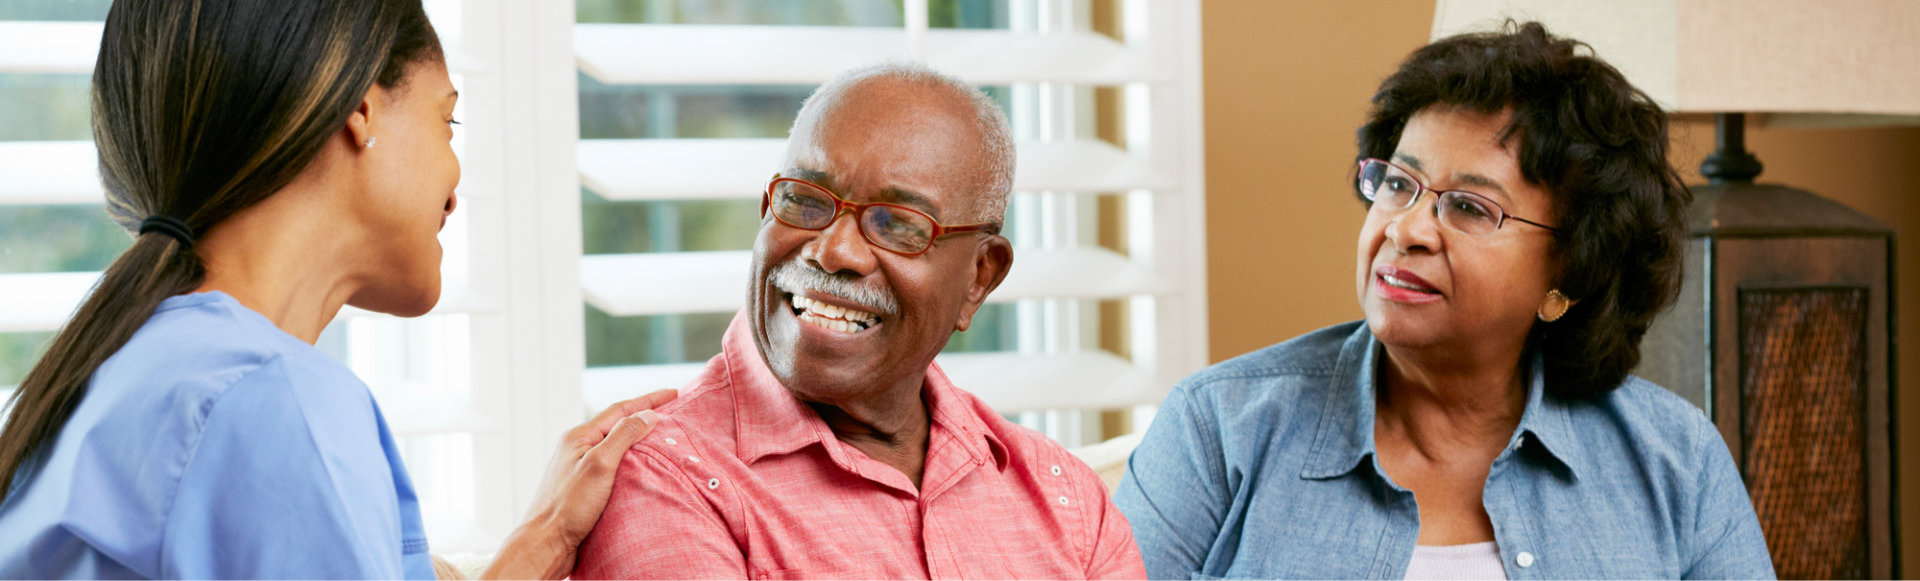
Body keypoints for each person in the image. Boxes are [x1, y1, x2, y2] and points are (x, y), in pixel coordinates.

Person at [0, 1, 671, 578]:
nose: (455, 185)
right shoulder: (273, 401)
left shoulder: (117, 373)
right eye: (449, 121)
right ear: (361, 109)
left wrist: (544, 541)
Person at [1114, 22, 1775, 580]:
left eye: (1468, 206)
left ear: (1565, 279)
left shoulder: (1675, 460)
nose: (1405, 229)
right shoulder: (1218, 428)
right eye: (1399, 183)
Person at [572, 62, 1147, 580]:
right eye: (805, 200)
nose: (834, 251)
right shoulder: (664, 478)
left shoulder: (1068, 499)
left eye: (898, 224)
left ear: (980, 276)